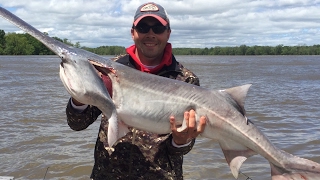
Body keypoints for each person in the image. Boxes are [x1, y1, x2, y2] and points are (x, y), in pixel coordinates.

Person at [66, 2, 206, 180]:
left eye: (157, 28)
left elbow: (181, 150)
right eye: (143, 27)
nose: (150, 34)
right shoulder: (108, 70)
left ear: (168, 33)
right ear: (133, 32)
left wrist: (181, 141)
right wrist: (79, 97)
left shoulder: (186, 80)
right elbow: (77, 124)